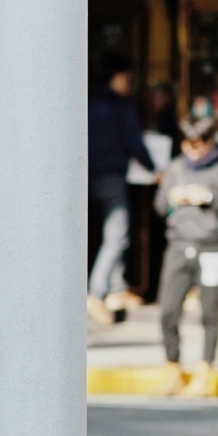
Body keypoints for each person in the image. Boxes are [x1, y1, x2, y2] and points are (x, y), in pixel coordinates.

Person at [153, 116, 218, 396]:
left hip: (212, 247)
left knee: (209, 311)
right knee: (168, 310)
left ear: (210, 142)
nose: (193, 151)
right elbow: (158, 205)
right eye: (188, 145)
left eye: (198, 145)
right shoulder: (177, 167)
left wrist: (209, 198)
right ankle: (173, 369)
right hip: (179, 245)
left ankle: (205, 370)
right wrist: (174, 198)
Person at [86, 55, 156, 326]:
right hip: (111, 176)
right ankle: (98, 290)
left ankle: (116, 288)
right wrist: (154, 168)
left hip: (86, 176)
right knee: (117, 235)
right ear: (118, 77)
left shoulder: (88, 101)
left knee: (104, 235)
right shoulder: (120, 106)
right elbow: (134, 141)